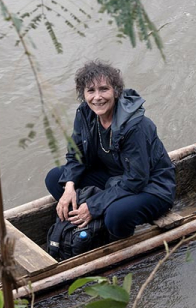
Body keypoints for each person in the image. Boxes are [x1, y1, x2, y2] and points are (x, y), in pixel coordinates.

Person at [44, 61, 175, 240]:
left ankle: (111, 235)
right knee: (55, 178)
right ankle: (89, 224)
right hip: (112, 179)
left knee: (115, 215)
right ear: (83, 94)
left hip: (150, 187)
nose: (97, 97)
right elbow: (76, 154)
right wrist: (69, 187)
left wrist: (94, 205)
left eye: (104, 89)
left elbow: (136, 179)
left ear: (116, 91)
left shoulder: (135, 126)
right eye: (91, 91)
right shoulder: (85, 113)